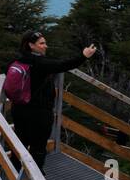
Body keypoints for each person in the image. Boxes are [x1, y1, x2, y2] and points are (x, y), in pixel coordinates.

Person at [8, 30, 97, 171]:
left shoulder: (17, 59)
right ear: (31, 45)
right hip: (38, 113)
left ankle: (12, 175)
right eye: (42, 43)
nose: (46, 46)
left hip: (18, 109)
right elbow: (62, 65)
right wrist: (83, 56)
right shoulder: (39, 63)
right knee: (38, 147)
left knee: (19, 144)